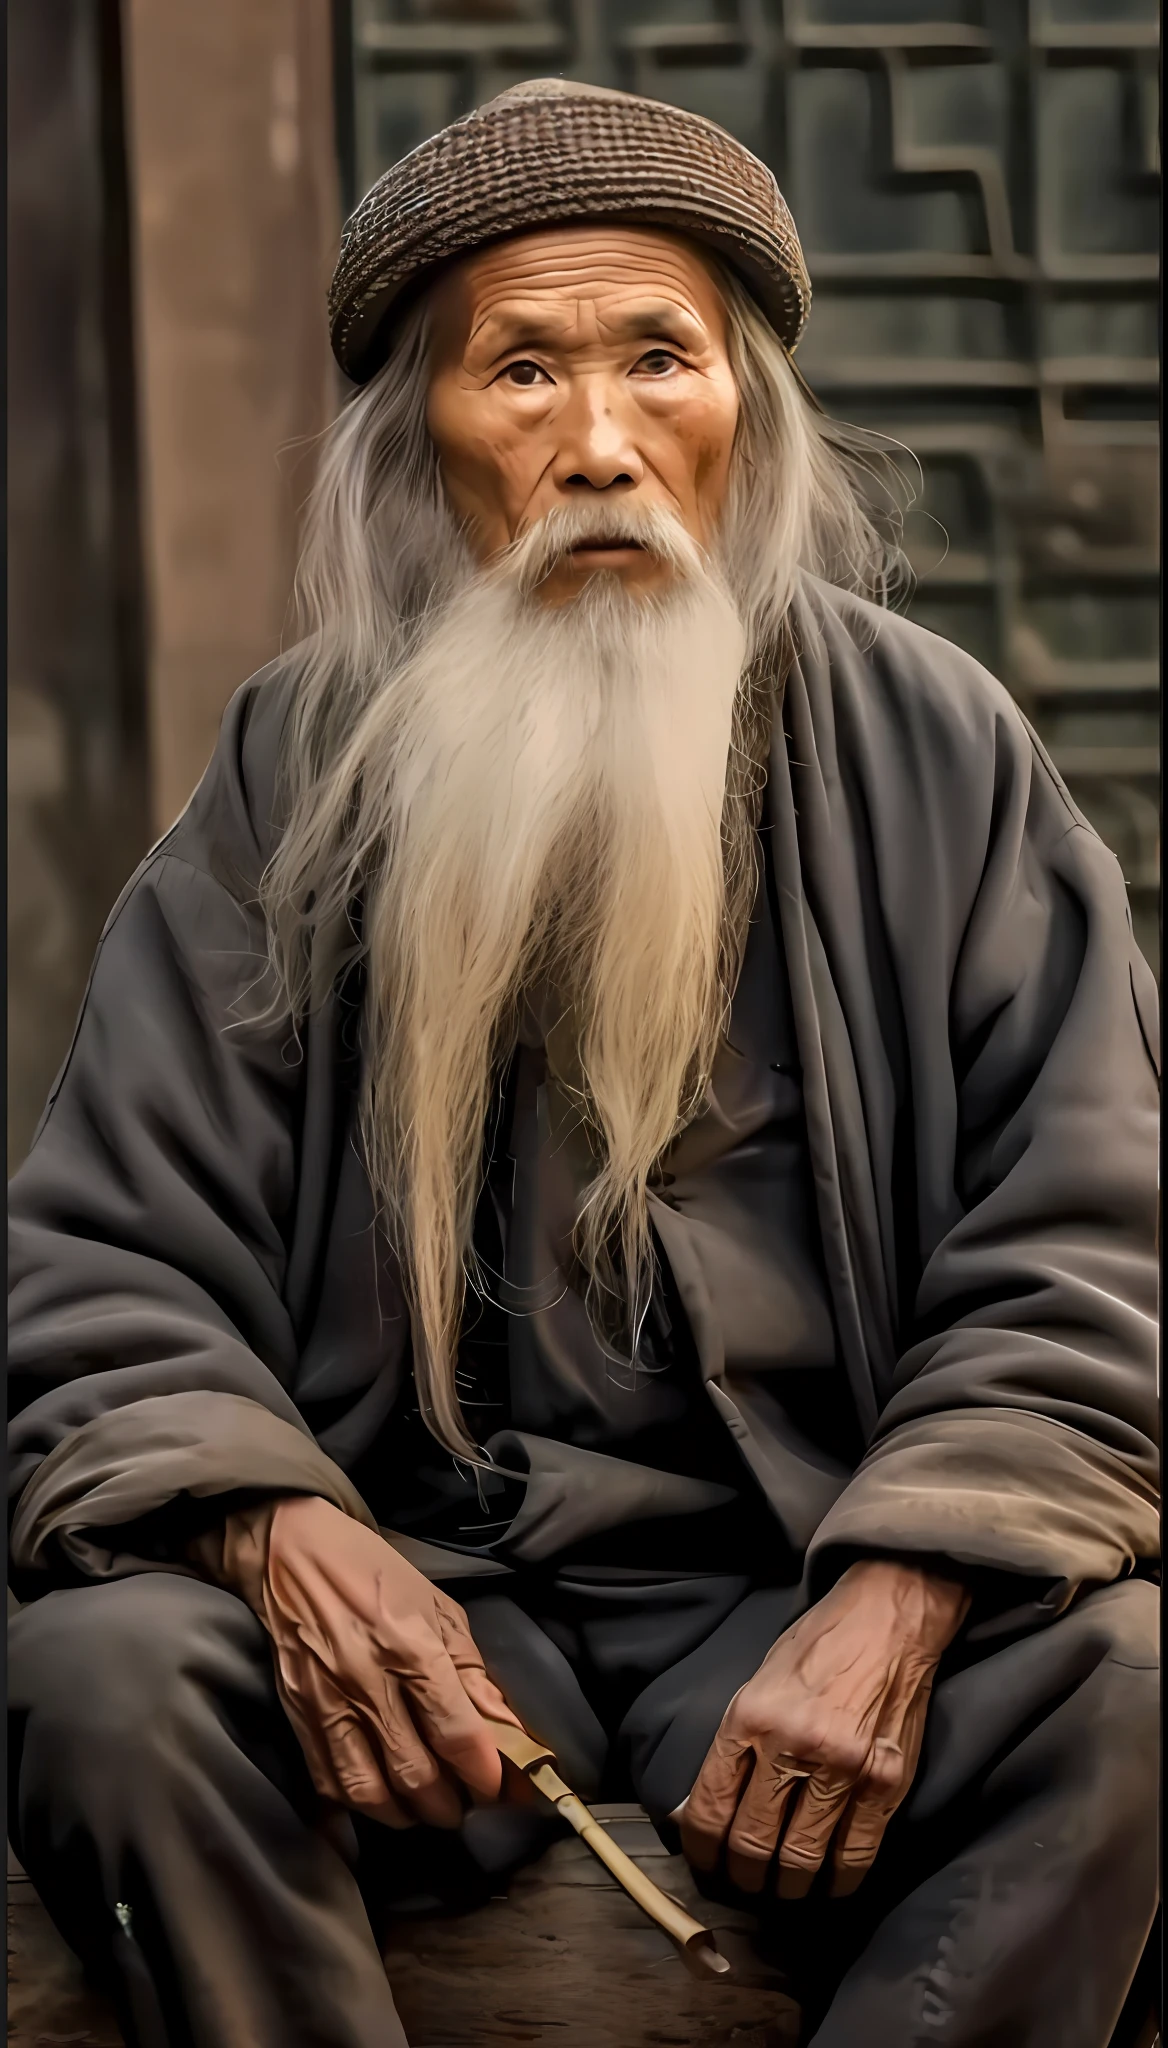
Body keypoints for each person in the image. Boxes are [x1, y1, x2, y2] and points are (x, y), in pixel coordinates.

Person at [7, 78, 1159, 2048]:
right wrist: (277, 1529)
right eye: (520, 371)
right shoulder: (296, 772)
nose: (599, 444)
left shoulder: (931, 754)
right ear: (417, 446)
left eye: (656, 359)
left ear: (750, 416)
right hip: (435, 1614)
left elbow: (1086, 1249)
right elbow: (108, 1272)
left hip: (798, 1585)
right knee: (106, 1676)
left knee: (1129, 1687)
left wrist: (900, 1592)